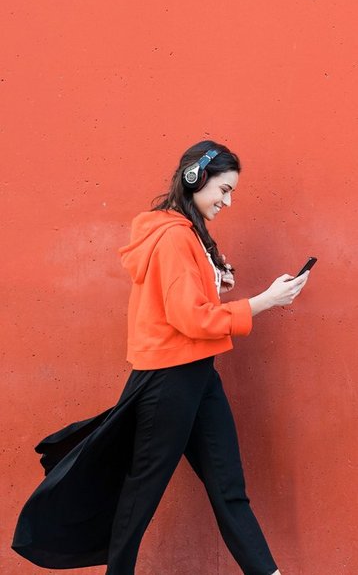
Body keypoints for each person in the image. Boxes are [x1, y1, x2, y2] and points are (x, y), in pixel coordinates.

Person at [12, 140, 309, 575]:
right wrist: (264, 301)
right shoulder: (173, 238)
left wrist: (215, 280)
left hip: (198, 375)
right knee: (141, 493)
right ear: (196, 178)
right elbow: (190, 319)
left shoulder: (188, 235)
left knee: (228, 489)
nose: (227, 202)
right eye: (223, 190)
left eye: (231, 193)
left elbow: (185, 306)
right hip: (169, 379)